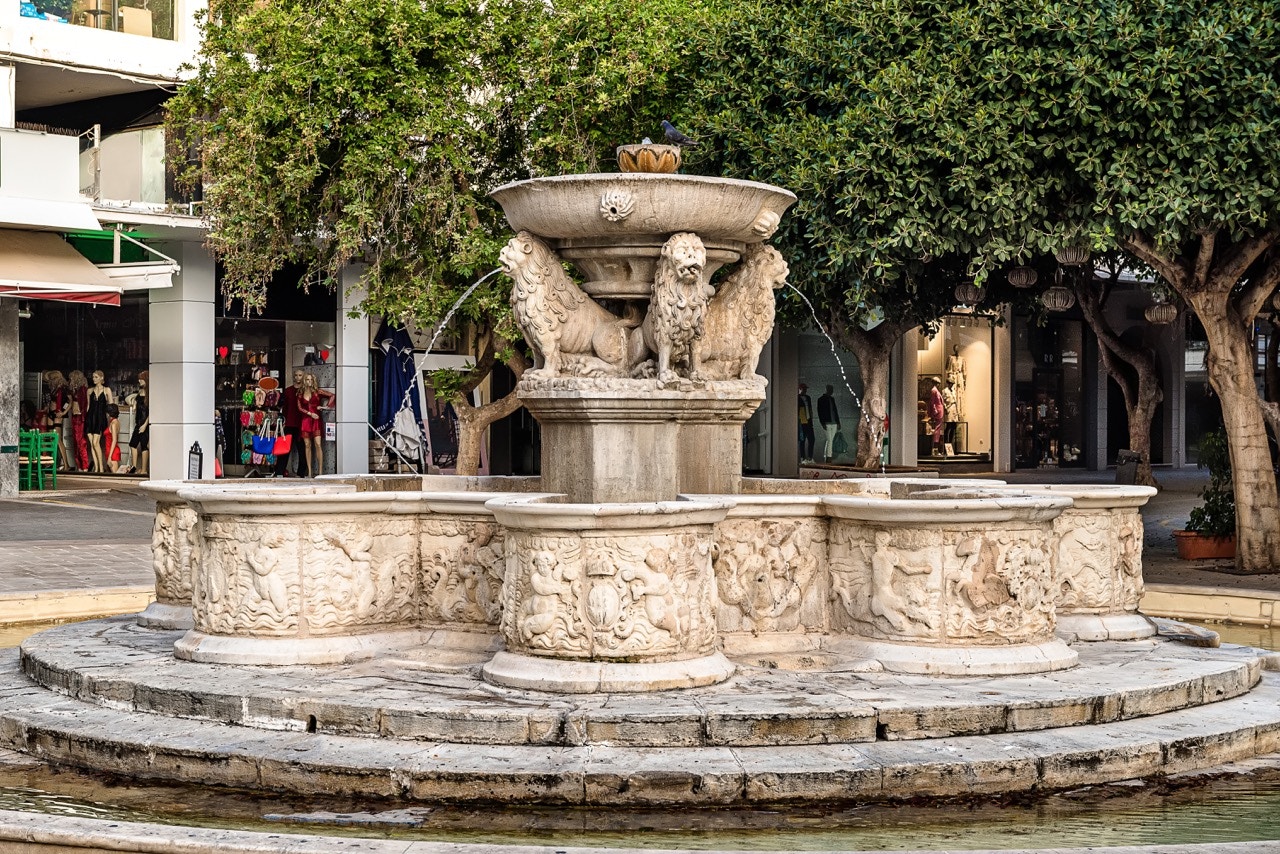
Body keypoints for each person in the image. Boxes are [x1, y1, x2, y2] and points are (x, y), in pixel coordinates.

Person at [297, 373, 334, 477]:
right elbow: (299, 408)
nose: (309, 382)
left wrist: (324, 407)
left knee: (318, 444)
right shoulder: (300, 393)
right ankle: (309, 472)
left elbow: (332, 395)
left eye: (311, 380)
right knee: (307, 445)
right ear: (304, 381)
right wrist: (310, 413)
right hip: (305, 420)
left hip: (316, 420)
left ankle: (320, 471)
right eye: (307, 380)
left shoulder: (318, 392)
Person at [276, 369, 304, 477]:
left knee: (302, 450)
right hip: (289, 424)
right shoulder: (288, 391)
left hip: (302, 424)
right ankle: (279, 472)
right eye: (296, 375)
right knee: (284, 449)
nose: (297, 377)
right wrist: (284, 421)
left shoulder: (305, 391)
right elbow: (285, 408)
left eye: (300, 375)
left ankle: (301, 472)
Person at [41, 370, 71, 471]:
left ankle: (66, 464)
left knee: (57, 440)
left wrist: (63, 412)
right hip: (51, 413)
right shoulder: (54, 389)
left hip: (57, 414)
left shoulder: (63, 389)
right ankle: (53, 461)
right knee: (50, 438)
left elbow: (69, 402)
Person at [85, 370, 113, 474]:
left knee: (96, 442)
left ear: (101, 378)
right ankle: (96, 468)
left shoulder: (107, 390)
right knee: (92, 443)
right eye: (93, 377)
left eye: (96, 377)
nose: (93, 379)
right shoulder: (89, 391)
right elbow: (88, 406)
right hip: (90, 418)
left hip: (100, 419)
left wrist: (112, 422)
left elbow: (111, 407)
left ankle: (101, 467)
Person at [125, 371, 149, 476]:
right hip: (138, 422)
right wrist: (134, 401)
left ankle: (144, 469)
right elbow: (128, 400)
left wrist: (145, 425)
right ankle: (134, 466)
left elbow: (151, 412)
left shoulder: (150, 393)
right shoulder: (140, 392)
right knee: (133, 444)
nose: (139, 381)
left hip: (144, 423)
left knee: (144, 445)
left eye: (141, 379)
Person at [67, 370, 90, 472]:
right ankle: (79, 465)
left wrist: (84, 416)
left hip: (80, 417)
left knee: (81, 442)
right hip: (75, 416)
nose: (70, 380)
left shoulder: (83, 389)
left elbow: (86, 404)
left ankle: (84, 465)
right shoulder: (74, 390)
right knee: (76, 442)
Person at [817, 385, 841, 462]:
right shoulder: (821, 399)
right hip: (827, 422)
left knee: (830, 440)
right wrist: (822, 423)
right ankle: (829, 457)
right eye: (831, 389)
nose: (832, 391)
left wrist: (838, 422)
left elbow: (835, 411)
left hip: (833, 422)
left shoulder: (831, 399)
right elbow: (820, 412)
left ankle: (827, 456)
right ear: (827, 389)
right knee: (830, 440)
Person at [927, 376, 946, 456]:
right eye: (938, 383)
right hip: (938, 412)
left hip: (939, 411)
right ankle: (935, 448)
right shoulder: (934, 391)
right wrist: (935, 412)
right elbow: (932, 402)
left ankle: (936, 448)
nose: (938, 385)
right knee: (936, 430)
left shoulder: (936, 391)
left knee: (938, 430)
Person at [797, 383, 815, 464]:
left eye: (805, 389)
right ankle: (802, 457)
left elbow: (810, 408)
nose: (805, 390)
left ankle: (810, 457)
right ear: (800, 389)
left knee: (812, 439)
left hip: (809, 420)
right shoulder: (797, 398)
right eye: (804, 389)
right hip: (802, 421)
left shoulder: (808, 398)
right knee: (802, 440)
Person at [102, 403, 121, 474]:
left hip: (112, 452)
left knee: (115, 476)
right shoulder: (115, 422)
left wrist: (110, 457)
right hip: (110, 451)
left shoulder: (113, 424)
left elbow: (114, 440)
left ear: (109, 413)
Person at [942, 379, 959, 450]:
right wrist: (945, 408)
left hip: (954, 409)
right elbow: (943, 401)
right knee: (948, 427)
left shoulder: (954, 391)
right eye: (950, 384)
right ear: (947, 384)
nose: (951, 385)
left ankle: (951, 444)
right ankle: (946, 444)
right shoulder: (945, 391)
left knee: (953, 427)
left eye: (952, 384)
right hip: (949, 409)